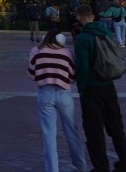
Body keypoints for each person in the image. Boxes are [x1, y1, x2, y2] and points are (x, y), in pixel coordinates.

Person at [73, 5, 126, 172]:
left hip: (92, 88)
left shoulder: (82, 38)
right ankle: (124, 164)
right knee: (116, 127)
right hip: (109, 85)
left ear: (79, 17)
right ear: (92, 16)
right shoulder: (106, 31)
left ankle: (101, 167)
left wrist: (81, 88)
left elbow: (82, 67)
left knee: (94, 130)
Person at [28, 30, 88, 172]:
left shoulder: (36, 51)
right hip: (64, 93)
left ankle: (52, 169)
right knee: (71, 130)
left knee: (48, 133)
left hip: (45, 93)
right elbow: (73, 76)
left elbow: (32, 73)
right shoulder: (66, 52)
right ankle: (81, 165)